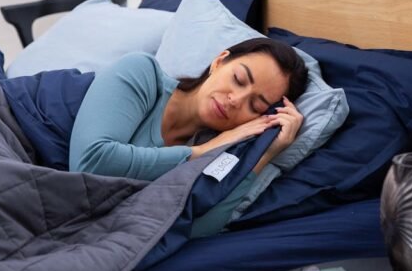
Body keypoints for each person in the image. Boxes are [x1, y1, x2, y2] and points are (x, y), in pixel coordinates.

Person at [68, 37, 308, 237]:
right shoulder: (141, 72)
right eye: (238, 79)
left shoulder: (218, 154)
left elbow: (197, 227)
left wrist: (264, 154)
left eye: (255, 106)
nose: (235, 99)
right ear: (219, 61)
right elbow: (91, 162)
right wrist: (198, 154)